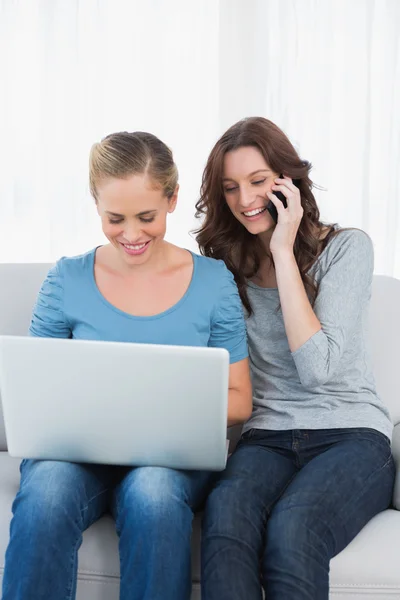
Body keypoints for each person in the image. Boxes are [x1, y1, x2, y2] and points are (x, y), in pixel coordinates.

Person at [2, 131, 252, 600]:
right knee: (48, 492)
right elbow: (36, 387)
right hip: (77, 457)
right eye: (115, 219)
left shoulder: (213, 283)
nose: (132, 235)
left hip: (171, 459)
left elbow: (239, 400)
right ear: (95, 205)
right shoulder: (66, 279)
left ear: (173, 199)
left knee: (154, 496)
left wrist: (157, 413)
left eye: (147, 217)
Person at [195, 116, 395, 600]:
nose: (245, 201)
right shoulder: (223, 270)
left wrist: (283, 252)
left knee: (294, 529)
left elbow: (317, 369)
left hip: (350, 433)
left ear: (288, 180)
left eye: (258, 182)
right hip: (267, 437)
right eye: (230, 188)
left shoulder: (347, 248)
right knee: (225, 521)